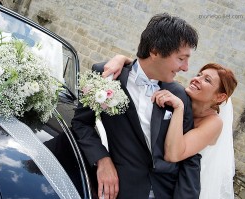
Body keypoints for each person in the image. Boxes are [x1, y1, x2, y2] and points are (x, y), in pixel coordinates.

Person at [71, 13, 201, 199]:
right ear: (155, 51)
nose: (186, 68)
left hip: (167, 191)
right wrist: (102, 159)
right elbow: (81, 124)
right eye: (181, 59)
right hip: (122, 189)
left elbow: (190, 157)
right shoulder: (106, 76)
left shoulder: (180, 95)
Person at [104, 57, 237, 198]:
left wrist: (179, 108)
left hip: (182, 181)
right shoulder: (180, 93)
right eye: (199, 74)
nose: (197, 79)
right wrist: (121, 59)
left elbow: (173, 154)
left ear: (220, 97)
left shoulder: (214, 123)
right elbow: (146, 70)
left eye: (207, 80)